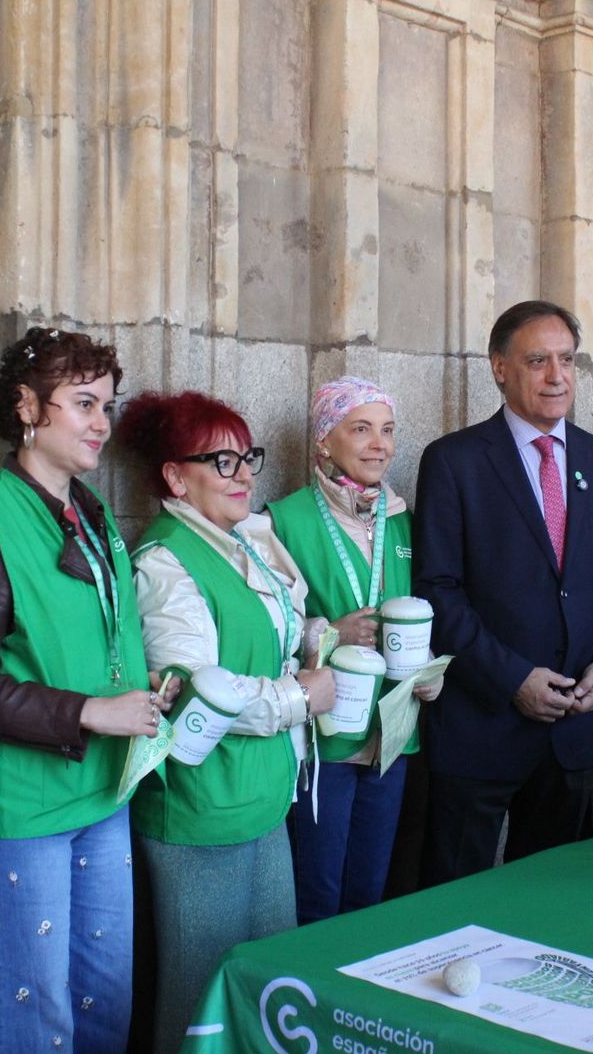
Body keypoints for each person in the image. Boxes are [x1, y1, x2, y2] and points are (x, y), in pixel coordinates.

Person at [0, 328, 176, 1053]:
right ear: (27, 407)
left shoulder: (91, 512)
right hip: (22, 808)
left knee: (105, 1006)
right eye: (83, 403)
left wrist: (139, 685)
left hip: (103, 793)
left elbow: (91, 638)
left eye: (107, 405)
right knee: (31, 1022)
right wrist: (91, 711)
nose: (102, 422)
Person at [119, 391, 336, 1054]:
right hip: (201, 809)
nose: (244, 474)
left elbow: (266, 639)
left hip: (260, 796)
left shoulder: (239, 541)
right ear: (175, 477)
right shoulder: (165, 560)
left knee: (264, 989)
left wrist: (318, 640)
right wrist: (299, 697)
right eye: (222, 460)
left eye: (247, 457)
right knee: (199, 1001)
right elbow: (196, 691)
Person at [412, 299, 593, 886]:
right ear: (500, 367)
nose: (556, 376)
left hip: (572, 732)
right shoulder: (453, 461)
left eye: (567, 360)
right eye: (538, 360)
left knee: (550, 900)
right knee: (456, 900)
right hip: (480, 727)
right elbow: (439, 591)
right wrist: (512, 679)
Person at [264, 376, 439, 923]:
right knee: (317, 891)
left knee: (370, 889)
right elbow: (265, 629)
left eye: (387, 430)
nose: (378, 444)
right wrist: (327, 632)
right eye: (360, 429)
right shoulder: (281, 520)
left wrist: (430, 670)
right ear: (324, 439)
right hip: (326, 737)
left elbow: (429, 609)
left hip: (392, 731)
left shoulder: (405, 519)